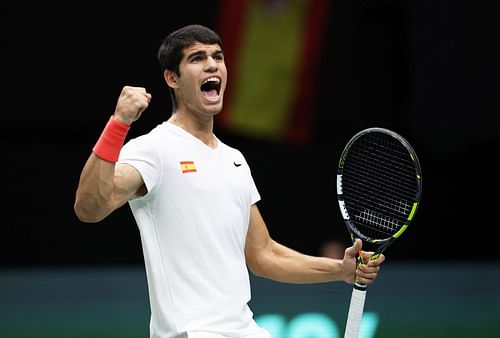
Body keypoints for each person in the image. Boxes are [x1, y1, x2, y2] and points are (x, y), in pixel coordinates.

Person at [74, 24, 385, 338]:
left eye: (217, 57)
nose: (212, 64)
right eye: (197, 58)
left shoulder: (234, 160)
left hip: (244, 329)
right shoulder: (154, 150)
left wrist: (341, 270)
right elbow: (89, 208)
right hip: (191, 332)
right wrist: (119, 124)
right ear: (172, 78)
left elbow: (264, 254)